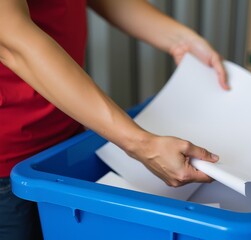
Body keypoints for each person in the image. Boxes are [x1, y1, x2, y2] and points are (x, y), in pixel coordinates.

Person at [0, 0, 229, 239]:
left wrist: (180, 40)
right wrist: (141, 144)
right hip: (9, 161)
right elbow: (11, 39)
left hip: (66, 136)